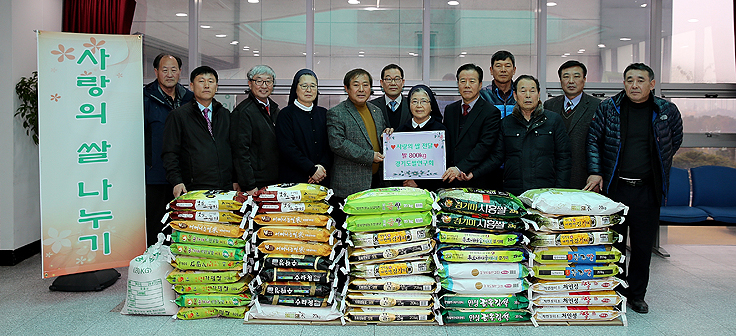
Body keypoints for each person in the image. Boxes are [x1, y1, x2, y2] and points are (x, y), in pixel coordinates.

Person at [585, 63, 683, 314]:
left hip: (647, 189)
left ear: (651, 84)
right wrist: (596, 171)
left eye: (640, 80)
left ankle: (637, 294)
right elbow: (594, 140)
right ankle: (615, 291)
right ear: (624, 83)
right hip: (616, 188)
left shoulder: (666, 110)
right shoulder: (609, 108)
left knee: (641, 247)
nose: (634, 85)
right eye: (629, 80)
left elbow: (674, 140)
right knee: (614, 244)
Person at [489, 75, 571, 196]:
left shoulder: (553, 120)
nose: (528, 95)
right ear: (515, 96)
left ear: (538, 94)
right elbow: (496, 158)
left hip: (546, 191)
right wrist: (472, 172)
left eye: (532, 91)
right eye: (523, 91)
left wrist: (559, 190)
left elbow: (564, 158)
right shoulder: (506, 123)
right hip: (514, 192)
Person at [161, 66, 234, 198]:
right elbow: (170, 153)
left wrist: (236, 179)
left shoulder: (225, 115)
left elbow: (234, 149)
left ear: (216, 87)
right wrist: (177, 181)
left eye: (210, 81)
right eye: (201, 81)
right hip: (193, 188)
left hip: (225, 188)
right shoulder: (178, 116)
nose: (206, 85)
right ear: (191, 86)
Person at [143, 53, 193, 245]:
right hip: (155, 174)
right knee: (156, 222)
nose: (169, 74)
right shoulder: (145, 98)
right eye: (164, 70)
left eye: (174, 70)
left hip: (184, 173)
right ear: (156, 72)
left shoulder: (189, 99)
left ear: (180, 72)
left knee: (182, 222)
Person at [327, 68, 392, 200]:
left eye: (366, 85)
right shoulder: (337, 112)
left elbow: (379, 138)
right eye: (356, 85)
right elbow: (338, 144)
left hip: (377, 182)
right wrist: (369, 156)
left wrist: (388, 134)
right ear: (347, 88)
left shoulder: (376, 111)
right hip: (350, 184)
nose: (361, 89)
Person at [442, 63, 501, 188]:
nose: (467, 85)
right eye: (463, 81)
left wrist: (460, 168)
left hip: (477, 178)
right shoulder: (450, 110)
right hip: (452, 180)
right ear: (458, 84)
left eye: (472, 81)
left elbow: (484, 146)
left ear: (480, 85)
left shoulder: (491, 112)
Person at [544, 60, 600, 189]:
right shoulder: (550, 105)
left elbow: (601, 143)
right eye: (566, 76)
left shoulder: (597, 106)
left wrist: (597, 173)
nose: (571, 81)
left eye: (576, 76)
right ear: (560, 80)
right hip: (554, 175)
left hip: (584, 176)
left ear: (584, 79)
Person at [275, 69, 331, 185]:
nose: (309, 90)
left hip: (321, 179)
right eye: (304, 86)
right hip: (294, 180)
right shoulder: (285, 115)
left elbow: (330, 146)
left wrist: (321, 168)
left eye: (313, 86)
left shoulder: (324, 113)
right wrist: (311, 170)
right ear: (296, 88)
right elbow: (288, 149)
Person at [231, 65, 280, 195]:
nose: (264, 86)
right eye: (259, 81)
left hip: (274, 180)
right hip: (255, 184)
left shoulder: (275, 110)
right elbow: (240, 152)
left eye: (268, 81)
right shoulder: (243, 112)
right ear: (250, 84)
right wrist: (249, 185)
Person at [395, 84, 447, 191]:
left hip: (433, 191)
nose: (419, 105)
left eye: (423, 101)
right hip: (403, 190)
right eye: (414, 101)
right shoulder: (400, 132)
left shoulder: (440, 131)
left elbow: (445, 165)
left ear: (431, 105)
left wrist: (419, 183)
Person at [370, 64, 443, 128]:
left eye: (397, 79)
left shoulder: (413, 105)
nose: (393, 83)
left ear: (403, 82)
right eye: (389, 79)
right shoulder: (372, 106)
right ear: (382, 83)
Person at [480, 50, 517, 118]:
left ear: (514, 70)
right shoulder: (483, 94)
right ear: (491, 70)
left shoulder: (520, 94)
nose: (503, 70)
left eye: (507, 66)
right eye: (498, 66)